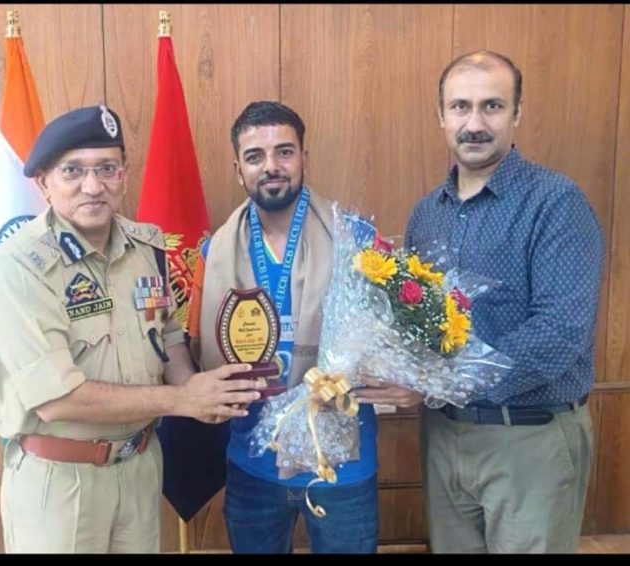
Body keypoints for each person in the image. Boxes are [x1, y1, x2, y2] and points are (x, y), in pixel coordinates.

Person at [0, 105, 262, 554]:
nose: (93, 186)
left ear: (125, 175)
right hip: (60, 478)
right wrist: (182, 400)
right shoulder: (20, 268)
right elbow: (57, 398)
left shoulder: (146, 246)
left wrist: (199, 390)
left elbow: (167, 337)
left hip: (139, 467)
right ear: (43, 183)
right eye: (73, 170)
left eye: (106, 168)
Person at [186, 100, 420, 554]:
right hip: (252, 465)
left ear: (303, 158)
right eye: (255, 156)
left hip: (342, 467)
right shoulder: (213, 253)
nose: (271, 166)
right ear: (238, 169)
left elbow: (405, 337)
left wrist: (409, 380)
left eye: (284, 152)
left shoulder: (356, 240)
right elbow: (193, 350)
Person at [404, 50, 605, 553]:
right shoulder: (426, 214)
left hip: (529, 439)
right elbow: (414, 322)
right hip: (444, 436)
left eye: (492, 106)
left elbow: (559, 333)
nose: (474, 123)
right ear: (440, 116)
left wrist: (444, 379)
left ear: (517, 114)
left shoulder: (556, 202)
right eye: (460, 107)